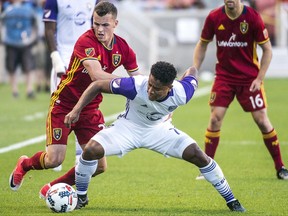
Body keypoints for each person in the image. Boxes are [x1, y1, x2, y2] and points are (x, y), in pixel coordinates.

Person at [64, 61, 246, 212]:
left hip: (159, 131)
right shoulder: (135, 85)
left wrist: (192, 67)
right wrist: (76, 110)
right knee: (90, 150)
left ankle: (232, 200)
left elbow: (192, 71)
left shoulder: (183, 93)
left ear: (169, 87)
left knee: (199, 155)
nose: (150, 91)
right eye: (150, 84)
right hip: (128, 128)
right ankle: (81, 197)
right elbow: (96, 85)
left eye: (157, 89)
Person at [9, 1, 141, 200]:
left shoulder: (123, 48)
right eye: (96, 23)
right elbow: (97, 75)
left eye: (105, 25)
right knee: (54, 159)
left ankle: (52, 188)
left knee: (98, 166)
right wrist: (130, 84)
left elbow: (137, 78)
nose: (99, 29)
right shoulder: (85, 41)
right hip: (65, 104)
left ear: (115, 23)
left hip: (90, 108)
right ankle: (25, 164)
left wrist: (144, 87)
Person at [193, 0, 288, 180]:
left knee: (262, 121)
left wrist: (259, 78)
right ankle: (207, 170)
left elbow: (267, 50)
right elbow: (203, 43)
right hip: (224, 78)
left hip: (249, 79)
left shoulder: (252, 17)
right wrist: (194, 70)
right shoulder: (214, 17)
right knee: (214, 120)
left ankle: (280, 167)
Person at [42, 0, 100, 171]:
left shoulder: (94, 1)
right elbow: (49, 29)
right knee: (58, 104)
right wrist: (55, 57)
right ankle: (52, 146)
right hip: (63, 56)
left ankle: (78, 154)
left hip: (86, 58)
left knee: (86, 102)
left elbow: (98, 28)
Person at [0, 0, 38, 98]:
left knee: (28, 67)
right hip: (10, 42)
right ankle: (14, 91)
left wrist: (33, 38)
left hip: (26, 42)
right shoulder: (5, 7)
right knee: (11, 68)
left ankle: (29, 90)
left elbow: (35, 23)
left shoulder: (30, 6)